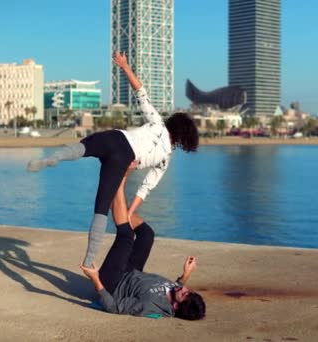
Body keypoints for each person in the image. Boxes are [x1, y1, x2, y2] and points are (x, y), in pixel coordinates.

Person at [27, 51, 199, 267]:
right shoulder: (165, 160)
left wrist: (125, 66)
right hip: (124, 159)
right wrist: (129, 212)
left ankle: (53, 158)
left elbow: (140, 92)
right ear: (183, 140)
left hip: (116, 137)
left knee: (82, 147)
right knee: (101, 208)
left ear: (173, 124)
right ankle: (89, 260)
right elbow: (145, 188)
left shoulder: (157, 122)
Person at [79, 170, 206, 320]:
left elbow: (114, 307)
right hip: (132, 272)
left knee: (126, 236)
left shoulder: (150, 305)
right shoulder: (175, 292)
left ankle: (119, 176)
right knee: (147, 235)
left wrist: (95, 280)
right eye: (188, 290)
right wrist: (186, 274)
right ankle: (119, 200)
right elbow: (175, 286)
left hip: (113, 282)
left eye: (184, 293)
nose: (184, 288)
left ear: (176, 307)